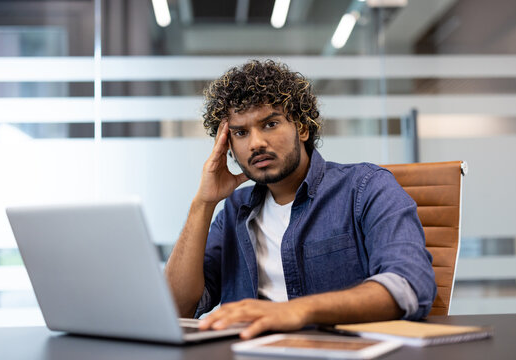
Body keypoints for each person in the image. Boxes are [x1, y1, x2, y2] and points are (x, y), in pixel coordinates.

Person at [165, 59, 436, 340]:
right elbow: (177, 308)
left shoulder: (365, 188)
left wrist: (297, 311)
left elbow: (410, 284)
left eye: (270, 124)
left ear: (303, 129)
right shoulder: (234, 210)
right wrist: (203, 203)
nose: (255, 142)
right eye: (241, 132)